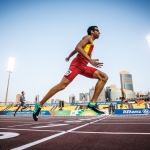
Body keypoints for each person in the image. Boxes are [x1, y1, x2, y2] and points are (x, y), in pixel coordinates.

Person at [33, 26, 108, 121]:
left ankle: (92, 103)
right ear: (92, 32)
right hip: (77, 65)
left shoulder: (90, 41)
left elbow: (76, 49)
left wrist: (69, 56)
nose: (99, 32)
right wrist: (90, 60)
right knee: (62, 86)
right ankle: (39, 105)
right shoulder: (88, 37)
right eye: (97, 30)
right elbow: (78, 47)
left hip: (84, 66)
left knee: (104, 77)